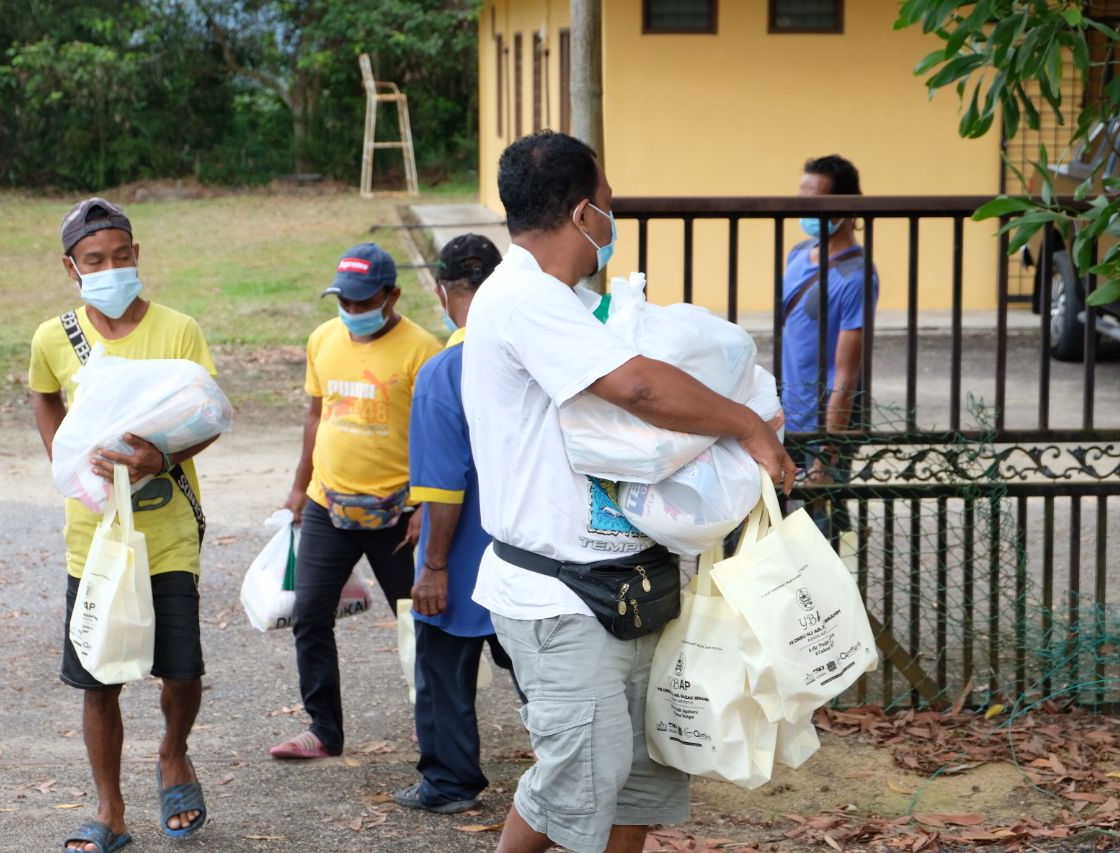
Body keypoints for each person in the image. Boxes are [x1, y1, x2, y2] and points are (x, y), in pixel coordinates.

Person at [461, 129, 794, 853]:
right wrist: (745, 423)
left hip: (634, 583)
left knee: (640, 778)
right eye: (609, 203)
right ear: (584, 213)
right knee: (577, 778)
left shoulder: (572, 304)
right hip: (560, 594)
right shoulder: (522, 299)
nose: (612, 219)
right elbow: (638, 387)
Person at [30, 198, 217, 852]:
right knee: (98, 677)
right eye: (94, 260)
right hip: (96, 538)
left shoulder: (179, 331)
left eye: (120, 256)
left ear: (137, 255)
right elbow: (44, 394)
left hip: (168, 534)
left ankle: (173, 751)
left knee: (181, 672)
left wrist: (159, 458)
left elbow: (209, 414)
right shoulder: (53, 338)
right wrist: (64, 459)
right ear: (72, 268)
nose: (109, 269)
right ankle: (109, 810)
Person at [271, 242, 442, 760]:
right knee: (309, 617)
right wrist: (299, 488)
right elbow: (315, 415)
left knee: (420, 620)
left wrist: (427, 507)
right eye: (344, 301)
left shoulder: (423, 351)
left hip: (398, 513)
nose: (352, 311)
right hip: (328, 505)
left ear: (393, 296)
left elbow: (440, 436)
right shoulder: (323, 338)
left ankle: (434, 720)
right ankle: (323, 730)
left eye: (364, 302)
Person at [394, 233, 519, 815]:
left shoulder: (445, 372)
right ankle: (578, 773)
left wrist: (435, 566)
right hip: (529, 558)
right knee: (542, 678)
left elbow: (444, 486)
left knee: (444, 675)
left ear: (444, 293)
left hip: (463, 560)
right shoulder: (528, 358)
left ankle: (449, 783)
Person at [780, 155, 879, 534]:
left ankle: (841, 567)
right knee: (786, 523)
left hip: (826, 424)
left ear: (845, 206)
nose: (805, 210)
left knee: (822, 526)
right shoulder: (797, 255)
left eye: (815, 200)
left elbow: (847, 372)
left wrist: (828, 452)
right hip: (789, 414)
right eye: (801, 198)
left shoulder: (857, 276)